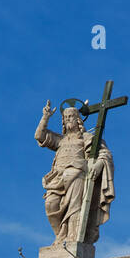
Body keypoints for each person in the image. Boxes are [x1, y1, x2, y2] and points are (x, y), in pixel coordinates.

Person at [35, 102, 114, 246]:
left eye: (71, 116)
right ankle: (60, 235)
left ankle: (72, 239)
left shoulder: (86, 137)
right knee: (50, 204)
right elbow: (40, 135)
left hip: (77, 174)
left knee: (74, 208)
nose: (68, 119)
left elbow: (105, 153)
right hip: (57, 178)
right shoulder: (60, 140)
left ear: (78, 119)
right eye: (65, 117)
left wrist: (98, 164)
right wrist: (45, 117)